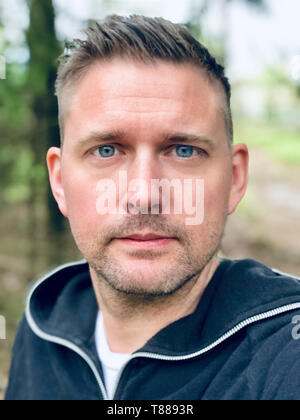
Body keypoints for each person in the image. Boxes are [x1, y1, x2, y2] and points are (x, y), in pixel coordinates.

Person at [5, 15, 300, 401]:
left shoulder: (283, 351)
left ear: (234, 178)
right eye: (106, 150)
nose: (144, 195)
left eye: (183, 150)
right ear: (59, 181)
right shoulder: (44, 322)